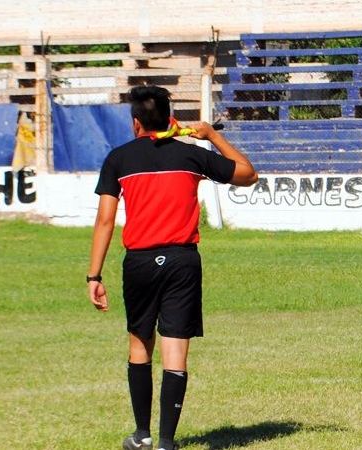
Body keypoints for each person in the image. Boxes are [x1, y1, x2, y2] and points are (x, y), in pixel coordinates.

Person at [87, 85, 258, 450]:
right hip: (182, 261)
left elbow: (104, 221)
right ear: (171, 120)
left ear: (136, 123)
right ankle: (167, 441)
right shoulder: (192, 155)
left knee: (140, 344)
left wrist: (94, 275)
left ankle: (142, 435)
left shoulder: (118, 159)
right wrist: (212, 136)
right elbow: (248, 174)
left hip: (139, 263)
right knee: (175, 351)